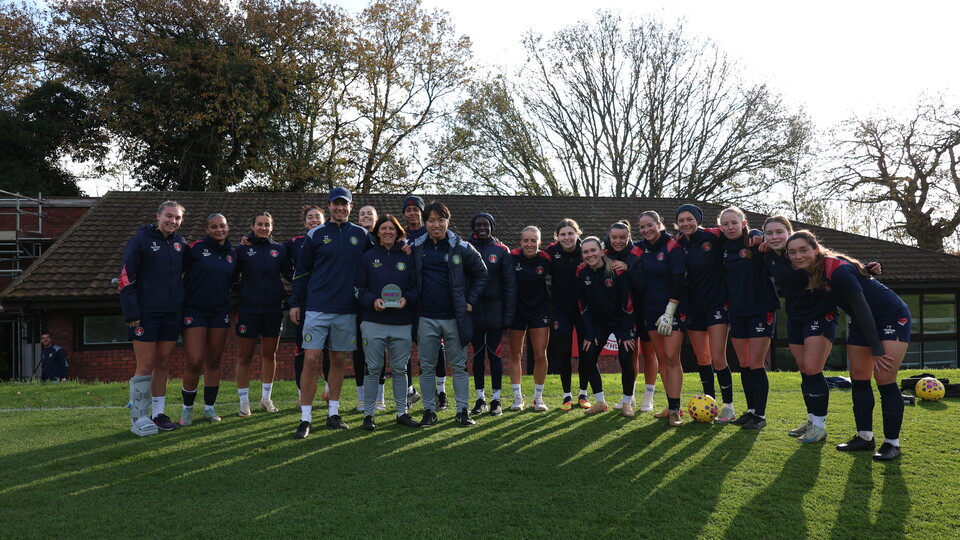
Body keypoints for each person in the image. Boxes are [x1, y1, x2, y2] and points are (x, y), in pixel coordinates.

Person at [788, 230, 909, 461]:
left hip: (891, 317)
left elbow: (863, 308)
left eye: (803, 250)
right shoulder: (815, 271)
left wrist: (877, 349)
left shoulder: (837, 270)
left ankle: (892, 444)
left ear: (815, 249)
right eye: (792, 252)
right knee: (859, 377)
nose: (798, 255)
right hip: (863, 323)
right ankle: (864, 437)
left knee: (884, 378)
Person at [290, 187, 373, 437]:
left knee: (337, 360)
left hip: (347, 310)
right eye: (335, 204)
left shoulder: (362, 235)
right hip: (316, 308)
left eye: (344, 204)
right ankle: (305, 418)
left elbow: (377, 260)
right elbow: (301, 272)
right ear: (329, 206)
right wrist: (295, 301)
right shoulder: (314, 235)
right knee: (311, 360)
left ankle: (333, 414)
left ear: (351, 206)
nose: (340, 208)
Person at [411, 201, 488, 426]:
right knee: (426, 367)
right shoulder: (415, 248)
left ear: (448, 221)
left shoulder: (462, 247)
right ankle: (428, 411)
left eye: (441, 220)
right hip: (425, 317)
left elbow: (482, 273)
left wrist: (471, 300)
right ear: (425, 223)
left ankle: (463, 411)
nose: (437, 225)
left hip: (455, 318)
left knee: (460, 366)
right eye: (432, 220)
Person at [119, 200, 188, 435]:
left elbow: (196, 266)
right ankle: (138, 418)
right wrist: (131, 313)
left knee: (163, 364)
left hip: (171, 313)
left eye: (177, 218)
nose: (173, 221)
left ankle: (158, 414)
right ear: (158, 216)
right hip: (145, 314)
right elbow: (126, 277)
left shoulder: (180, 243)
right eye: (169, 216)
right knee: (145, 365)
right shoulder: (141, 240)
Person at [356, 214, 421, 430]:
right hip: (373, 321)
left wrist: (407, 299)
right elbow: (359, 289)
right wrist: (372, 301)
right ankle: (369, 415)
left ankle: (402, 412)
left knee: (401, 369)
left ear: (398, 232)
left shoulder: (407, 258)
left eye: (392, 229)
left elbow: (415, 287)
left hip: (402, 322)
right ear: (377, 232)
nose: (387, 232)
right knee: (373, 368)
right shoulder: (367, 257)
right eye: (383, 228)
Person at [675, 204, 738, 423]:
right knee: (703, 358)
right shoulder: (678, 243)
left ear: (698, 220)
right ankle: (709, 403)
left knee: (718, 357)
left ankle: (728, 406)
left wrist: (757, 235)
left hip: (716, 305)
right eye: (681, 220)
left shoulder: (713, 235)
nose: (685, 223)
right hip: (694, 308)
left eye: (689, 219)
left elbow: (739, 232)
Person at [719, 207, 779, 430]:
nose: (730, 227)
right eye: (725, 224)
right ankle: (751, 410)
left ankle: (760, 416)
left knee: (755, 363)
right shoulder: (721, 246)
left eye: (734, 222)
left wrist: (760, 234)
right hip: (736, 311)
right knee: (743, 363)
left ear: (743, 223)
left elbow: (776, 245)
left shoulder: (756, 243)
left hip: (761, 309)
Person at [178, 213, 238, 426]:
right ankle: (187, 409)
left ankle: (209, 409)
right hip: (194, 310)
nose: (219, 230)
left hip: (220, 312)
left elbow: (234, 282)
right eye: (214, 227)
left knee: (213, 361)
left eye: (222, 226)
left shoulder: (233, 254)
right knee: (195, 361)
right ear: (207, 230)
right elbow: (175, 271)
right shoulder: (194, 248)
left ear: (227, 227)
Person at [234, 211, 292, 417]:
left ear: (272, 227)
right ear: (252, 226)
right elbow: (231, 278)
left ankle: (266, 399)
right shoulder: (241, 250)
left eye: (267, 225)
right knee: (245, 357)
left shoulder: (280, 250)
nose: (263, 228)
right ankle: (243, 402)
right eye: (260, 224)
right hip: (248, 310)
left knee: (269, 355)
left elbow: (291, 274)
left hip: (273, 309)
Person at [575, 236, 637, 415]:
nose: (590, 254)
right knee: (588, 358)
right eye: (585, 252)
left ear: (601, 251)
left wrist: (626, 332)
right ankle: (600, 401)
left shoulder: (616, 270)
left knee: (626, 358)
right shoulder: (581, 273)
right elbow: (583, 306)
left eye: (593, 250)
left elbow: (628, 304)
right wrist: (589, 331)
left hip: (621, 323)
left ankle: (627, 402)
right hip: (598, 324)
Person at [637, 210, 686, 427]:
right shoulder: (640, 247)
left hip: (672, 310)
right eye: (642, 227)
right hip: (650, 311)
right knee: (661, 358)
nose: (646, 230)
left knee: (671, 357)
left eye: (650, 225)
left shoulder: (673, 246)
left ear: (660, 224)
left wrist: (670, 309)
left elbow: (679, 281)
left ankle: (676, 410)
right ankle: (670, 405)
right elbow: (614, 248)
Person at [467, 213, 516, 416]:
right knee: (477, 356)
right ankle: (480, 399)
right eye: (477, 225)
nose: (481, 228)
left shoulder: (502, 250)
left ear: (492, 227)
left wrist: (508, 316)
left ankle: (496, 400)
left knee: (495, 356)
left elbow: (510, 285)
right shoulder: (465, 248)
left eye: (485, 224)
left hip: (496, 312)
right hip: (473, 312)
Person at [545, 219, 592, 411]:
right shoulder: (551, 252)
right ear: (557, 237)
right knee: (564, 352)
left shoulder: (586, 250)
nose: (567, 237)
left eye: (570, 233)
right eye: (563, 234)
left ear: (578, 233)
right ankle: (566, 396)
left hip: (584, 311)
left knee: (585, 353)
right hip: (561, 311)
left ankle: (583, 393)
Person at [283, 205, 325, 407]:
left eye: (318, 216)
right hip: (305, 305)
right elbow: (270, 250)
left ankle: (328, 391)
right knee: (303, 351)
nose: (314, 219)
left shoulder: (334, 240)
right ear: (304, 221)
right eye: (310, 217)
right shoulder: (295, 243)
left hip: (331, 304)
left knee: (330, 351)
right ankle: (302, 395)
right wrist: (248, 237)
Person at [507, 226, 552, 411]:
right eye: (526, 240)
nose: (529, 244)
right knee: (515, 354)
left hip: (539, 310)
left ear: (539, 243)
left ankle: (538, 398)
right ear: (521, 242)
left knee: (540, 354)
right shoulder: (511, 256)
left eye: (533, 240)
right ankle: (517, 397)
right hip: (517, 311)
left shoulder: (546, 258)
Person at [605, 221, 647, 416]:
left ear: (629, 237)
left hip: (641, 310)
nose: (618, 241)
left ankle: (648, 397)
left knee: (645, 354)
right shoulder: (604, 253)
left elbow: (642, 284)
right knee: (628, 356)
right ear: (609, 237)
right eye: (614, 237)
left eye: (623, 237)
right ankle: (628, 398)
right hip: (618, 314)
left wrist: (628, 268)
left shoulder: (637, 252)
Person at [354, 204, 387, 412]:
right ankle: (361, 398)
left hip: (382, 303)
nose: (366, 216)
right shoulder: (353, 239)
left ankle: (379, 398)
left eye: (370, 214)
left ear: (376, 219)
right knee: (359, 351)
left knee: (379, 351)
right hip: (357, 302)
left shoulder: (387, 239)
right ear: (358, 219)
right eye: (362, 214)